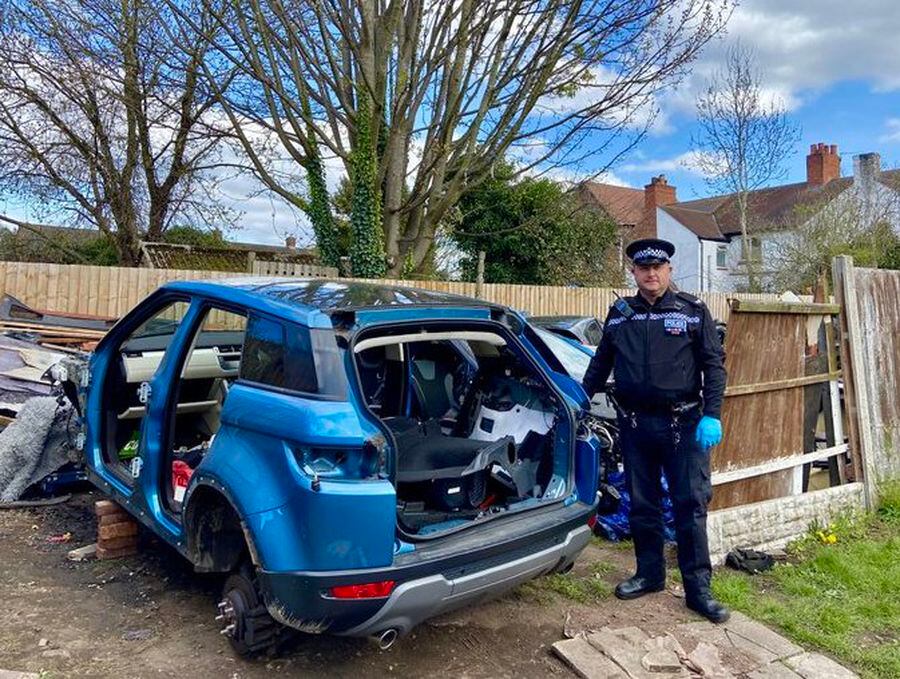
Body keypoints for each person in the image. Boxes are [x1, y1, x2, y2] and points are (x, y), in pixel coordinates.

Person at [581, 237, 729, 623]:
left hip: (684, 426)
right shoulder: (620, 313)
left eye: (657, 267)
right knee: (643, 505)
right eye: (643, 268)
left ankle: (699, 591)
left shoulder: (692, 311)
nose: (651, 273)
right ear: (633, 272)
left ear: (668, 270)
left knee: (689, 506)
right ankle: (649, 575)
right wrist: (578, 400)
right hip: (634, 424)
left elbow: (714, 366)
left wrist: (712, 413)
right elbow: (600, 365)